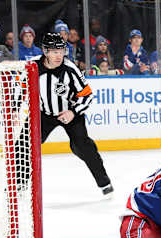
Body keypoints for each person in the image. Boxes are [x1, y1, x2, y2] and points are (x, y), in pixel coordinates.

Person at [17, 33, 113, 197]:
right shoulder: (32, 67)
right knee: (24, 144)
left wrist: (73, 112)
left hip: (70, 113)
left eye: (61, 51)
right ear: (45, 51)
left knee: (83, 147)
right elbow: (19, 91)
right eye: (54, 52)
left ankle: (105, 183)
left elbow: (87, 95)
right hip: (44, 114)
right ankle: (19, 185)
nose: (59, 56)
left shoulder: (70, 68)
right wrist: (14, 110)